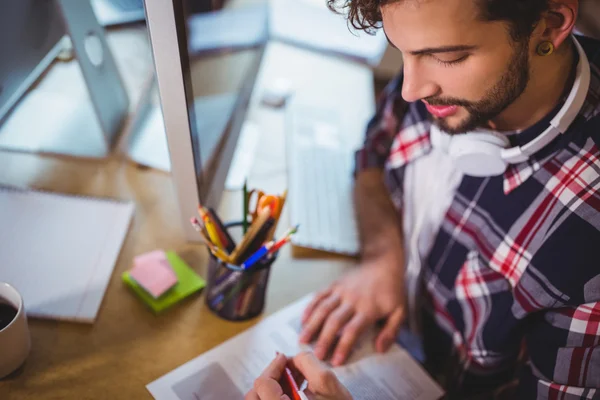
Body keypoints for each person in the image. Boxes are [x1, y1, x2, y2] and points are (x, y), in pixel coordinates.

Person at [249, 0, 600, 398]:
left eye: (448, 57)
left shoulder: (589, 237)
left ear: (550, 25)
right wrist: (383, 255)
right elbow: (373, 149)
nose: (411, 89)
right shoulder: (438, 62)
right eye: (403, 51)